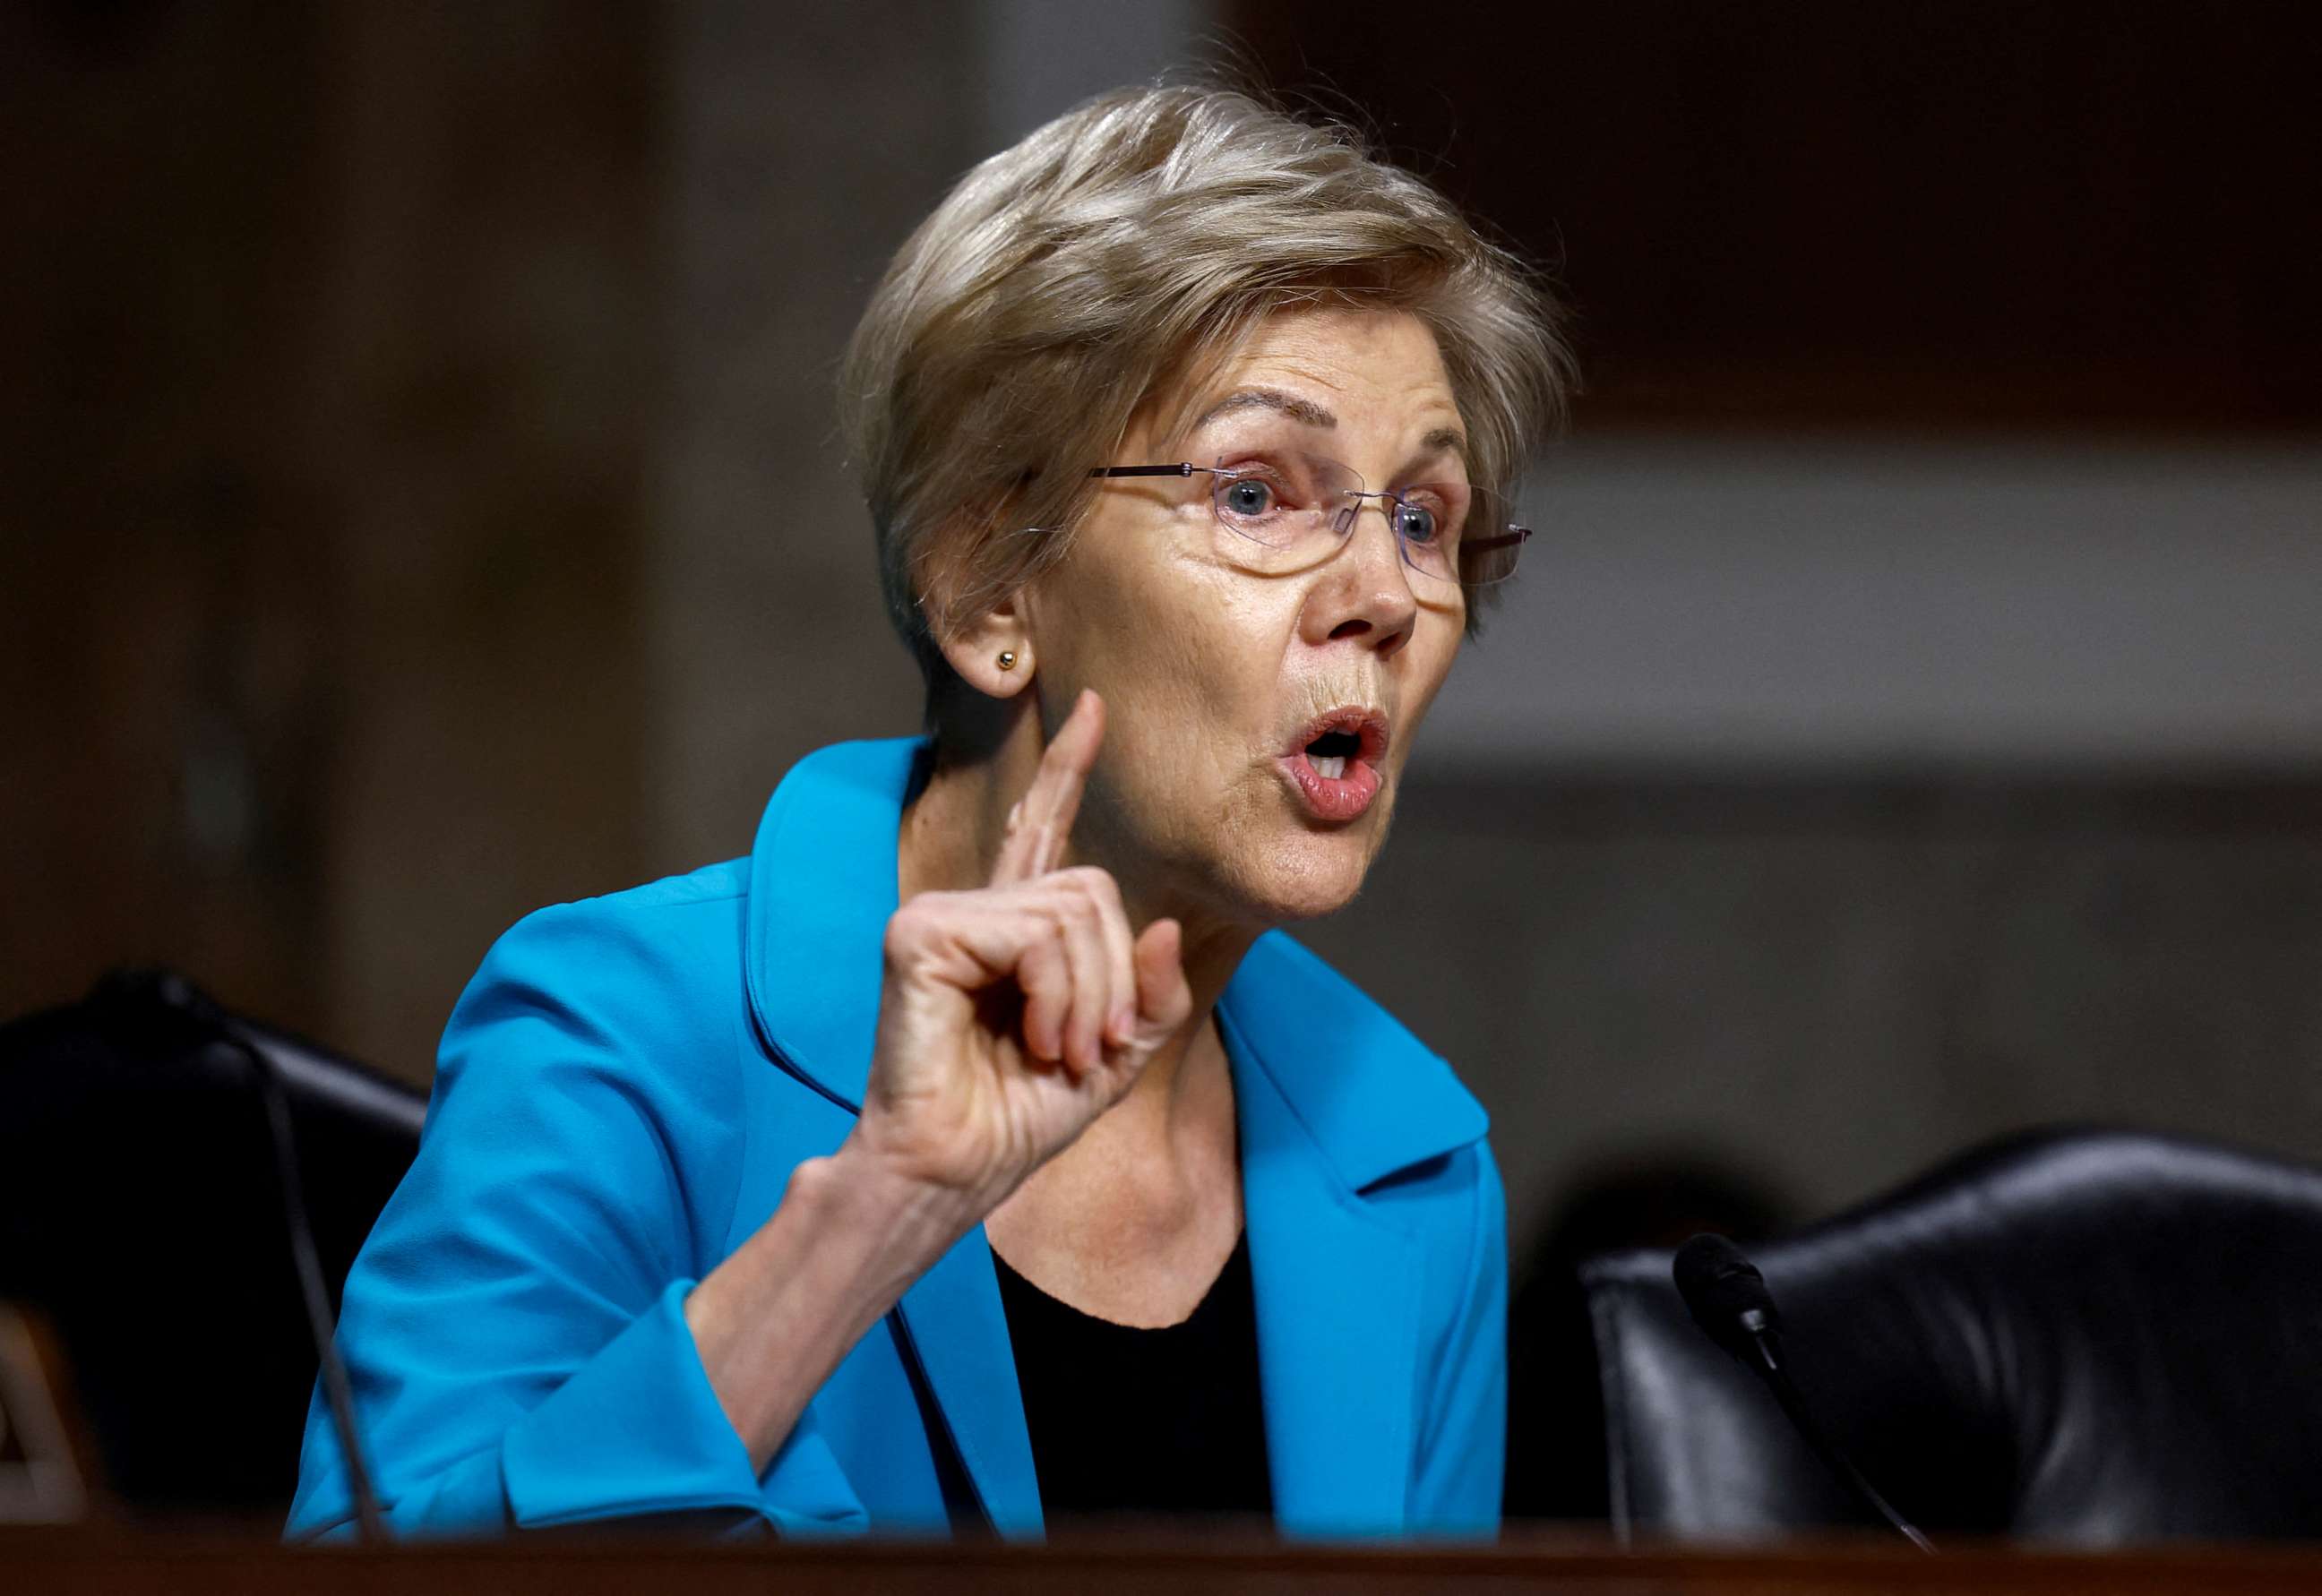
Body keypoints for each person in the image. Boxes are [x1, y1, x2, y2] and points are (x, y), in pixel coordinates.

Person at [289, 81, 1571, 1540]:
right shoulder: (625, 1029)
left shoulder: (1408, 1160)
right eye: (1260, 493)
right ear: (987, 584)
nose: (1386, 597)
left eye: (1422, 517)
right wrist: (874, 1213)